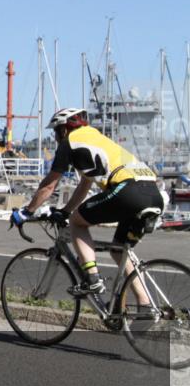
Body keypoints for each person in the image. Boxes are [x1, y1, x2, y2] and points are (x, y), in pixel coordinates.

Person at [12, 107, 165, 297]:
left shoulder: (69, 143)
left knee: (77, 222)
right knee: (119, 250)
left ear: (64, 129)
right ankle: (145, 305)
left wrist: (26, 212)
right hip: (153, 193)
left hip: (128, 191)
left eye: (56, 131)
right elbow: (85, 185)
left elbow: (49, 186)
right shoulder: (96, 138)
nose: (56, 137)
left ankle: (92, 278)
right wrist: (66, 210)